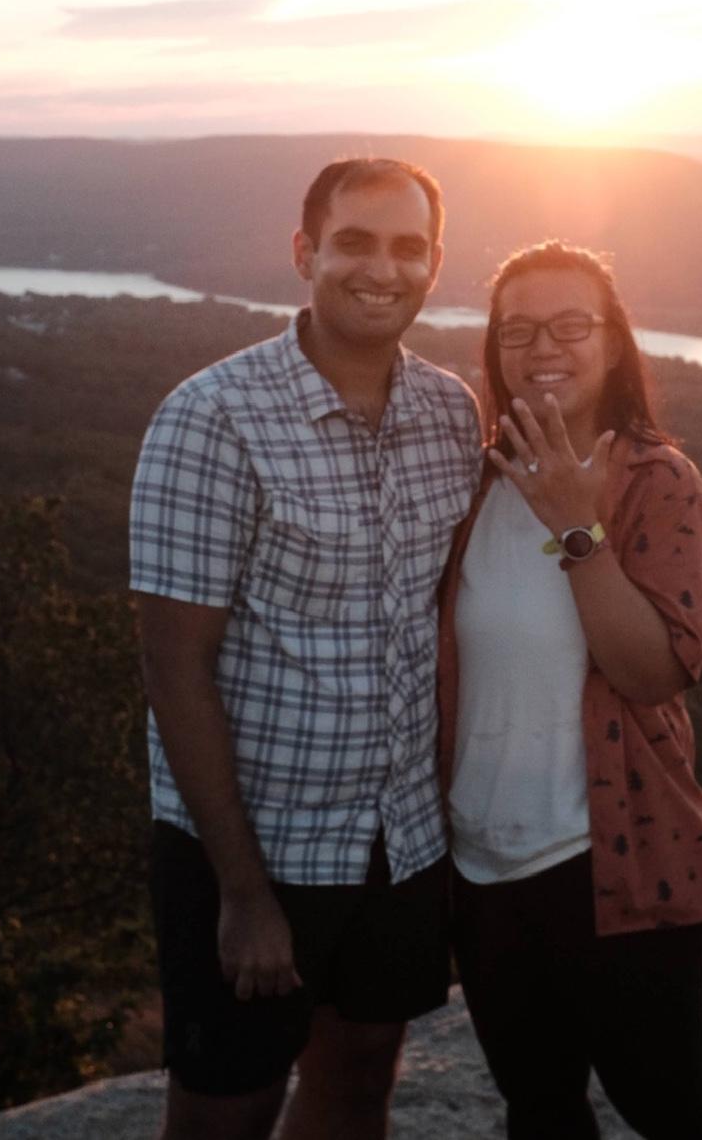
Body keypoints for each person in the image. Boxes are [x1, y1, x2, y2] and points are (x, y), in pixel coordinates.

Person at [130, 157, 481, 1140]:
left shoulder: (450, 413)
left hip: (399, 838)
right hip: (258, 845)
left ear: (434, 262)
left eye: (407, 246)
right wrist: (242, 894)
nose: (382, 267)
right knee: (226, 1103)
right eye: (354, 241)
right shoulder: (211, 419)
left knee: (360, 1077)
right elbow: (175, 667)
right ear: (305, 253)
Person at [437, 240, 702, 1139]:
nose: (545, 348)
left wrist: (578, 527)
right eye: (518, 330)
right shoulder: (473, 484)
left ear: (613, 343)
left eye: (572, 325)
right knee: (538, 1110)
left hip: (611, 858)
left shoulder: (658, 484)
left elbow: (654, 672)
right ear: (494, 352)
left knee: (668, 1106)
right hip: (482, 870)